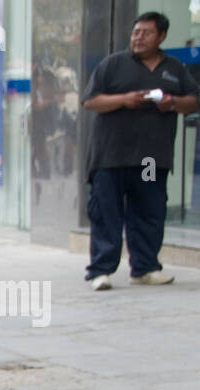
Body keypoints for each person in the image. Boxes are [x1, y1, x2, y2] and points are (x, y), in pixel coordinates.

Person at [82, 11, 199, 290]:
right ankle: (100, 271)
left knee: (148, 210)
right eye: (136, 32)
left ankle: (145, 268)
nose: (138, 37)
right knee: (106, 212)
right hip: (111, 155)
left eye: (146, 33)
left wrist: (171, 103)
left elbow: (193, 102)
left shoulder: (174, 68)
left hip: (149, 158)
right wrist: (124, 99)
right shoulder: (113, 64)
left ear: (161, 36)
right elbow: (90, 101)